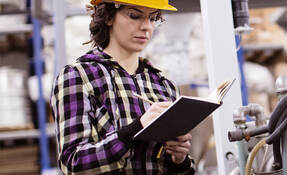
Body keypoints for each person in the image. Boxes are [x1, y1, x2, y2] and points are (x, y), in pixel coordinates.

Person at [50, 0, 194, 174]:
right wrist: (135, 130)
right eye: (135, 16)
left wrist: (180, 161)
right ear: (109, 16)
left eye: (153, 18)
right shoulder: (78, 77)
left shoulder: (164, 86)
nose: (146, 27)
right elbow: (73, 164)